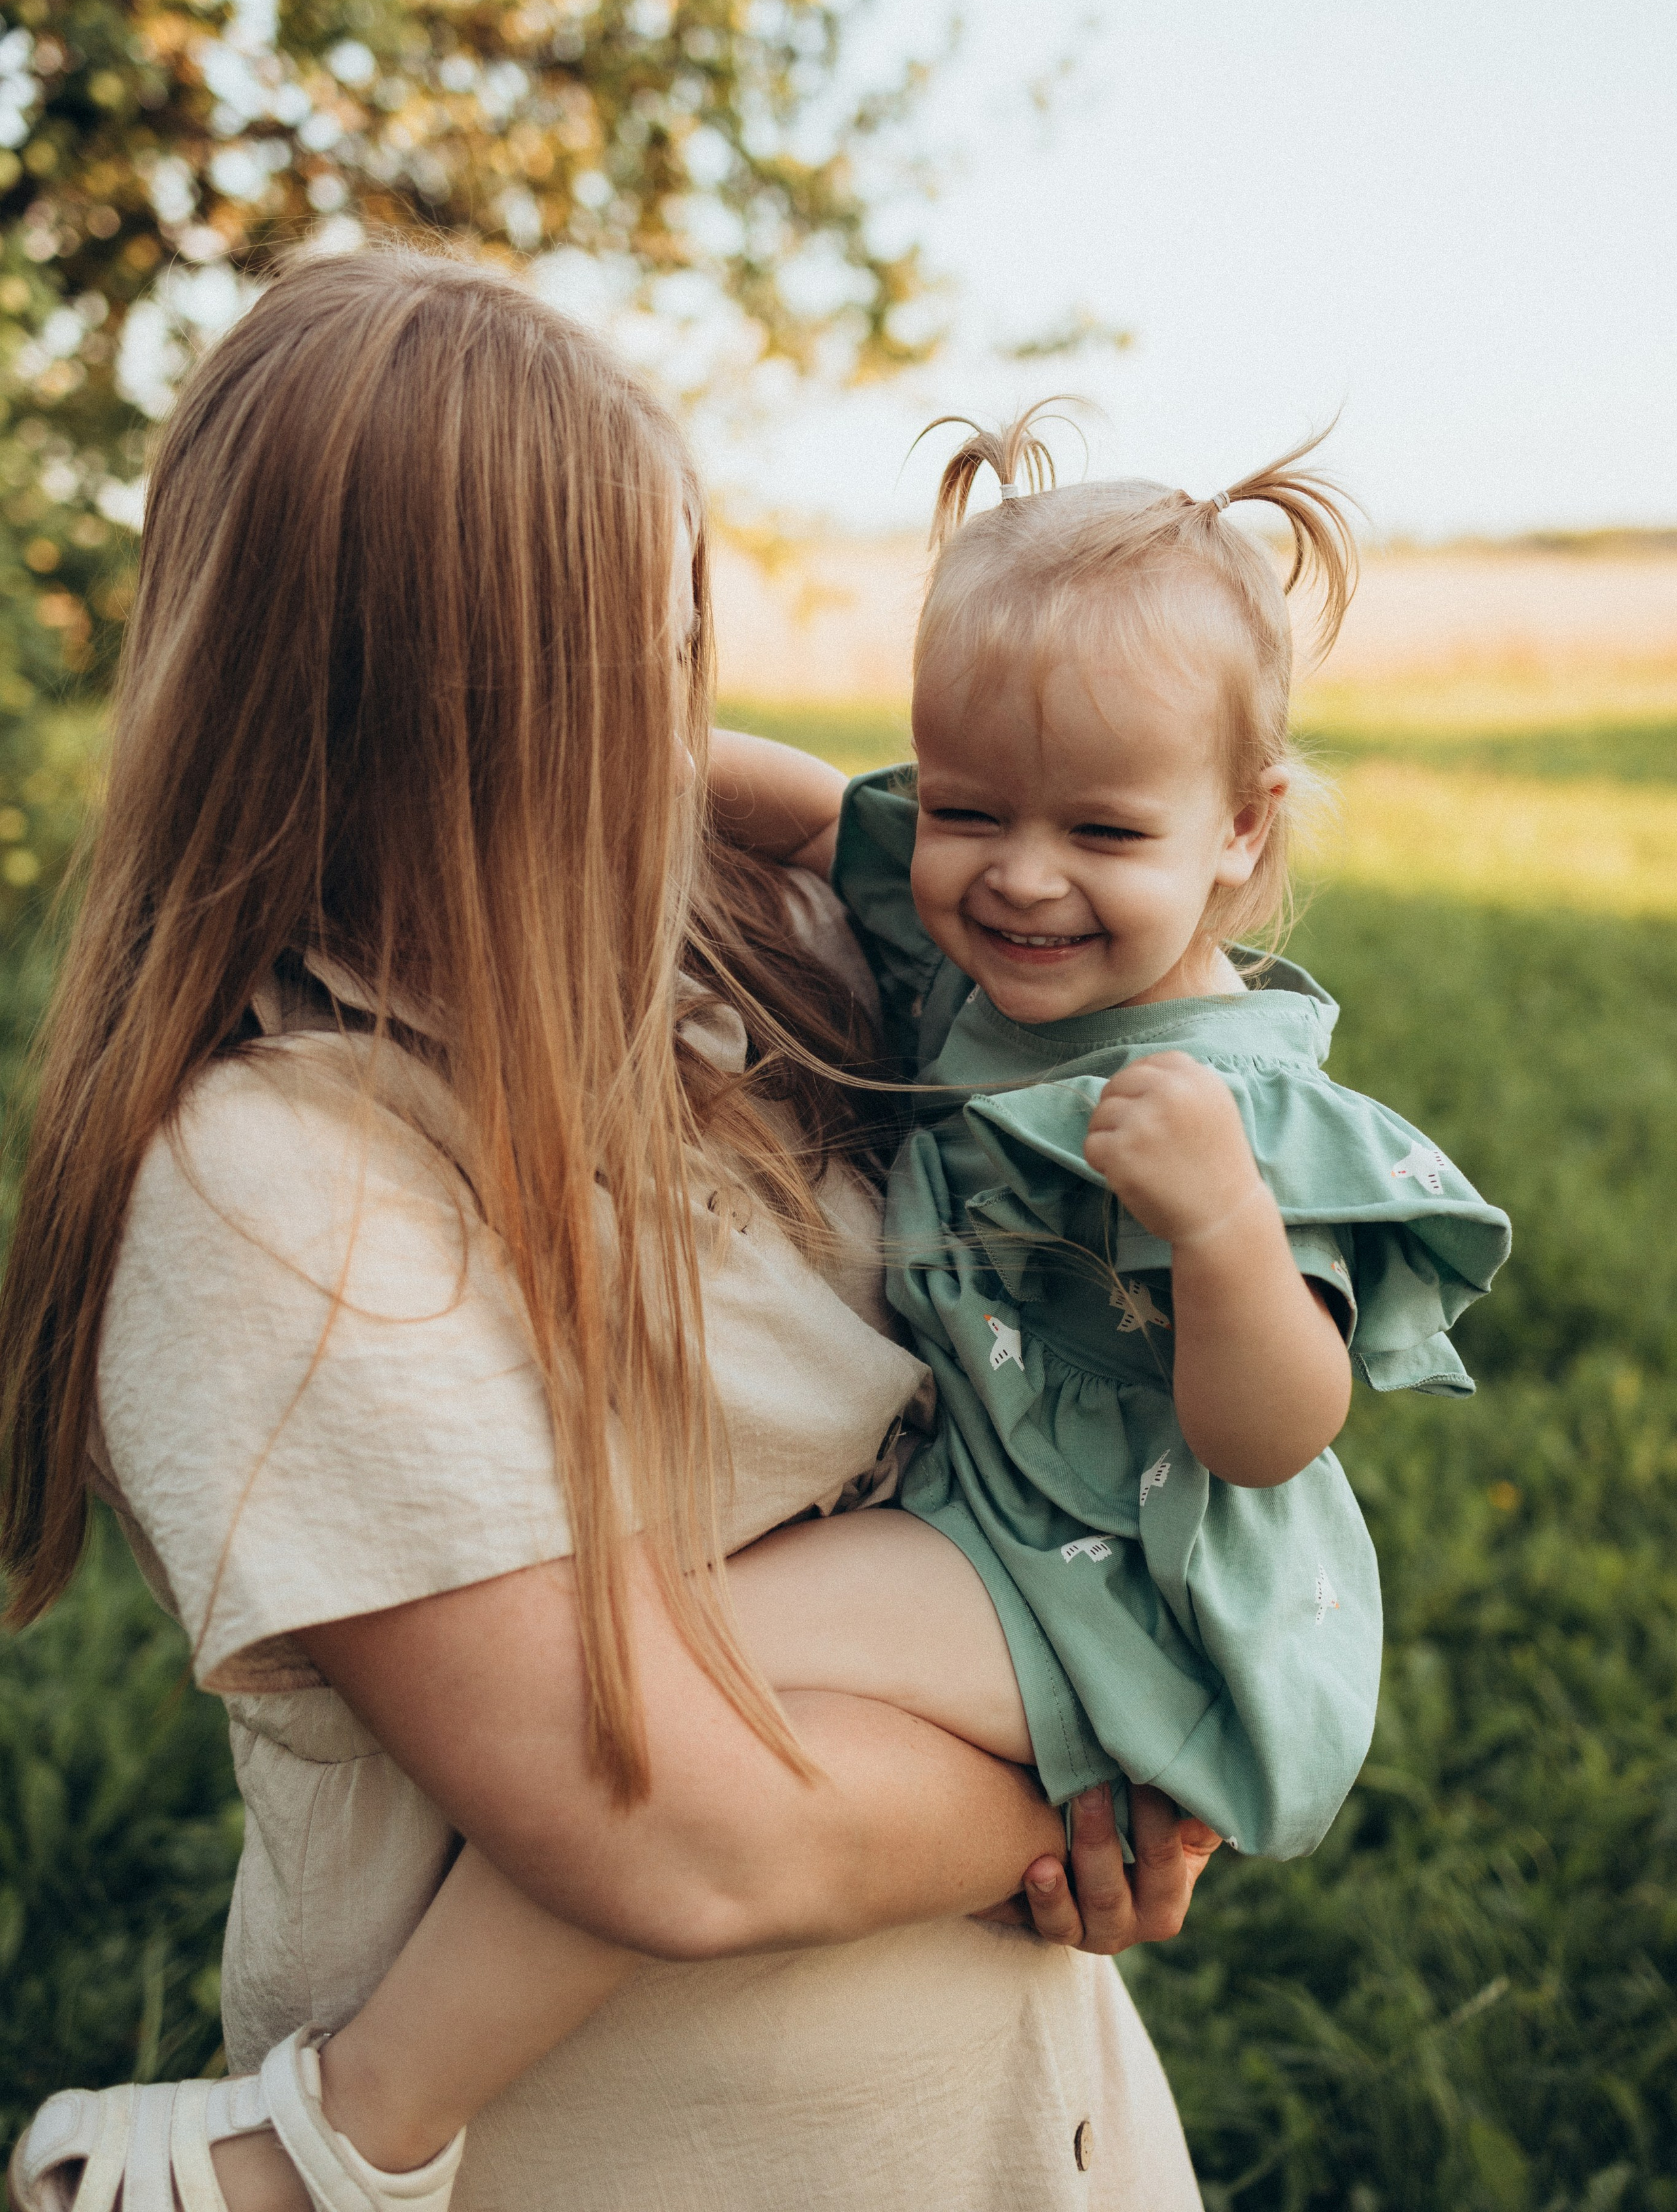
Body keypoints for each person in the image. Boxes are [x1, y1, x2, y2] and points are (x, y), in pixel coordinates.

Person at [99, 403, 1512, 2203]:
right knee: (667, 1691)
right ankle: (346, 2135)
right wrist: (618, 767)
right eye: (971, 807)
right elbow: (807, 803)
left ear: (1246, 835)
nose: (1015, 869)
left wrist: (1228, 1231)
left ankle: (351, 2132)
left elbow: (1278, 1426)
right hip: (967, 1598)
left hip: (1094, 1574)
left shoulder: (1215, 1102)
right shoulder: (288, 1167)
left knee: (681, 1663)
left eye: (1098, 826)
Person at [3, 264, 1213, 2212]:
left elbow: (1053, 988)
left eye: (679, 644)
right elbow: (669, 1832)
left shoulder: (749, 959)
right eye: (611, 669)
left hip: (1010, 2123)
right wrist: (1111, 1770)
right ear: (391, 713)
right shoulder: (275, 1174)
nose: (672, 721)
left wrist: (1142, 1737)